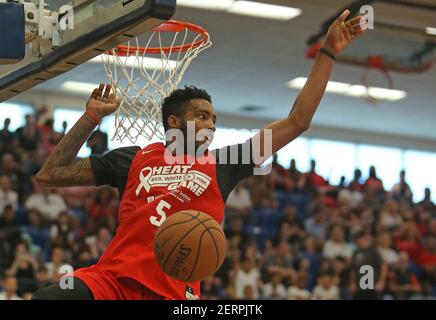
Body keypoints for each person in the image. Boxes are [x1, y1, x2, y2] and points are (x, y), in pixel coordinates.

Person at [32, 11, 366, 300]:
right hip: (112, 280)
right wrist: (91, 117)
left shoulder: (226, 164)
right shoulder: (133, 158)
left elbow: (297, 122)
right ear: (174, 123)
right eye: (202, 116)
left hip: (174, 289)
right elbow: (50, 174)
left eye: (214, 119)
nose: (211, 124)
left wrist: (328, 52)